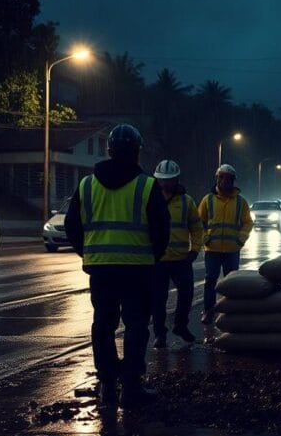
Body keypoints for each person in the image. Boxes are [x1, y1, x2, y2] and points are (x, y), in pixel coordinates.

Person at [64, 124, 170, 409]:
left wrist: (88, 253)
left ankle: (108, 386)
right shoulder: (147, 185)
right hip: (137, 269)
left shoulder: (87, 184)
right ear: (137, 152)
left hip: (101, 269)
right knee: (136, 325)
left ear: (109, 151)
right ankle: (132, 388)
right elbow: (162, 230)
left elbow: (71, 226)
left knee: (103, 325)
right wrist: (151, 257)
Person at [150, 159, 204, 348]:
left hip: (182, 259)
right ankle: (159, 334)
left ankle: (180, 326)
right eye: (162, 180)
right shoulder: (150, 200)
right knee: (158, 299)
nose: (165, 184)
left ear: (176, 179)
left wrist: (195, 250)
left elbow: (197, 229)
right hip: (158, 260)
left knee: (186, 295)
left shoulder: (186, 202)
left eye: (169, 180)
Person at [198, 164, 253, 325]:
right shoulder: (207, 200)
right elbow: (197, 222)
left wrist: (240, 240)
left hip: (232, 250)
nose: (225, 181)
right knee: (210, 281)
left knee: (232, 283)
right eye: (221, 178)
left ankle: (232, 311)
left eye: (228, 179)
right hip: (212, 249)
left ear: (233, 181)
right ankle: (208, 311)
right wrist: (204, 238)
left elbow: (247, 223)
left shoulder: (240, 202)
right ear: (217, 179)